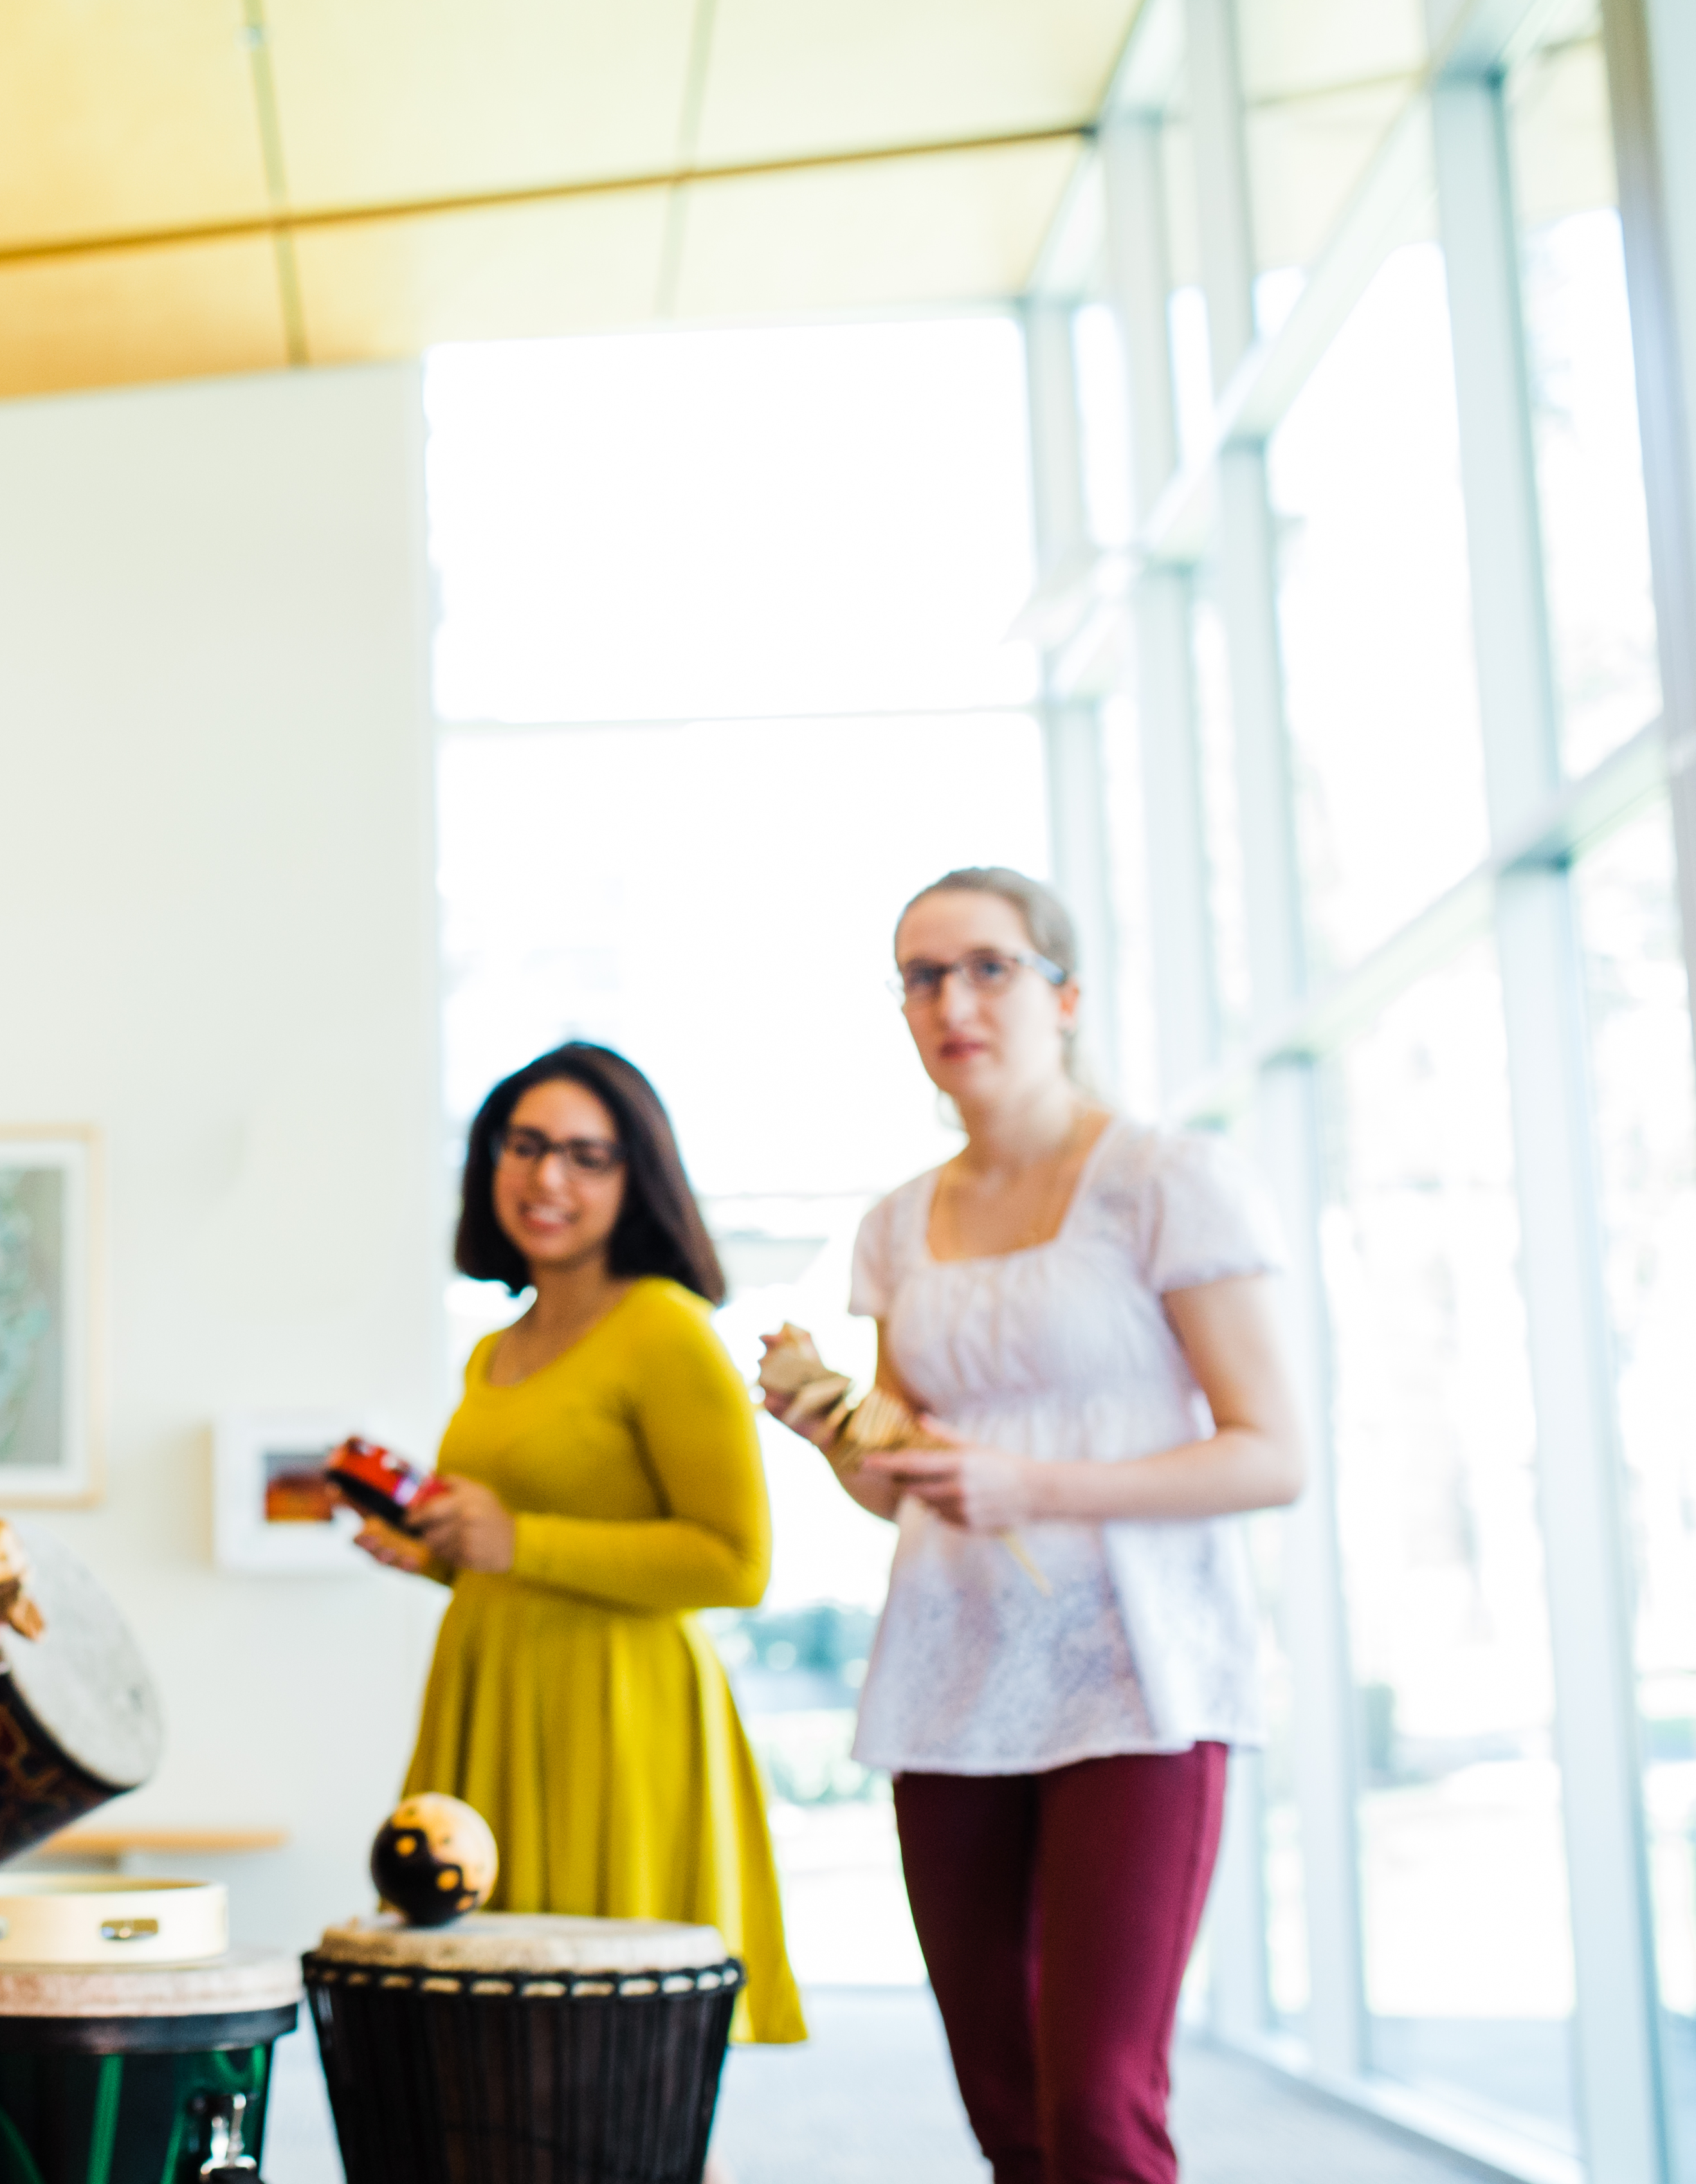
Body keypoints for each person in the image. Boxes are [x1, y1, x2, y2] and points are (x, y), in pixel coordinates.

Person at [767, 866, 1307, 2184]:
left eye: (987, 966)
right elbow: (897, 1474)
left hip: (1136, 1679)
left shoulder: (1165, 1179)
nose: (953, 998)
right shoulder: (897, 1224)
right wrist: (838, 1431)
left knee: (1098, 2107)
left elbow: (1270, 1456)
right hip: (951, 1676)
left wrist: (1037, 1487)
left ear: (1062, 995)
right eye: (921, 974)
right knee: (1002, 2105)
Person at [362, 1041, 806, 2046]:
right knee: (495, 2058)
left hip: (621, 1716)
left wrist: (515, 1537)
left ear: (634, 1175)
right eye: (523, 1145)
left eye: (585, 1154)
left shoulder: (667, 1329)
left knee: (619, 2075)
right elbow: (512, 1555)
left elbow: (735, 1563)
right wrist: (433, 1546)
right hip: (491, 1695)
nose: (546, 1176)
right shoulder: (496, 1345)